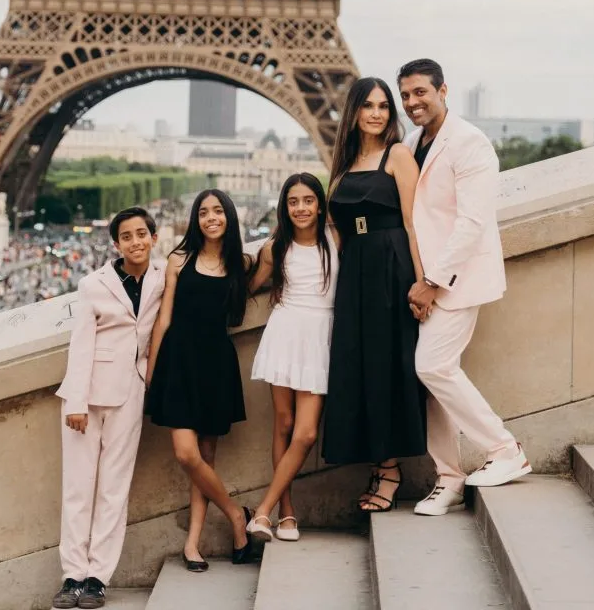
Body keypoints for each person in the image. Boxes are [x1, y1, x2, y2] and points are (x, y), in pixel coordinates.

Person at [398, 58, 531, 517]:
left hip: (455, 280)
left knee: (432, 366)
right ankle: (450, 477)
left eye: (421, 92)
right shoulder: (412, 142)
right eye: (406, 95)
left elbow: (472, 222)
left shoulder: (471, 142)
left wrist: (433, 282)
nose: (413, 102)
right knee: (433, 378)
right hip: (424, 280)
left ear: (443, 90)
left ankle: (505, 449)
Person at [322, 77, 426, 512]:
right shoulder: (344, 165)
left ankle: (389, 469)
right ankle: (379, 462)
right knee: (358, 367)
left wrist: (423, 281)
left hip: (389, 266)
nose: (378, 113)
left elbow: (414, 220)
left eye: (385, 106)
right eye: (368, 106)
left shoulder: (397, 155)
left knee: (386, 367)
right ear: (354, 112)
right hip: (355, 273)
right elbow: (334, 232)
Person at [53, 207, 165, 610]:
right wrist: (77, 401)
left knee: (114, 491)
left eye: (142, 234)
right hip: (86, 397)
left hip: (131, 392)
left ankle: (99, 577)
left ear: (154, 237)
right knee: (78, 490)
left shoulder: (163, 277)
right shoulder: (92, 284)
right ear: (115, 244)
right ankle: (72, 575)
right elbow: (81, 344)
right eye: (127, 236)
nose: (136, 241)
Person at [145, 189, 253, 570]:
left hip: (216, 364)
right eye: (204, 212)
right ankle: (237, 514)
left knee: (205, 458)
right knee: (187, 454)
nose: (211, 218)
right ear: (195, 218)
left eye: (218, 211)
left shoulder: (241, 263)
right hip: (179, 362)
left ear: (229, 217)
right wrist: (151, 371)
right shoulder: (179, 259)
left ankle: (192, 545)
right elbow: (164, 318)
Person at [247, 173, 339, 542]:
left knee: (305, 433)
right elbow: (247, 287)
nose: (301, 208)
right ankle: (286, 513)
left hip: (319, 337)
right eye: (293, 202)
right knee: (283, 426)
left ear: (319, 204)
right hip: (285, 334)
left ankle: (262, 511)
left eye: (307, 200)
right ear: (285, 207)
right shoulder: (275, 248)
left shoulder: (336, 240)